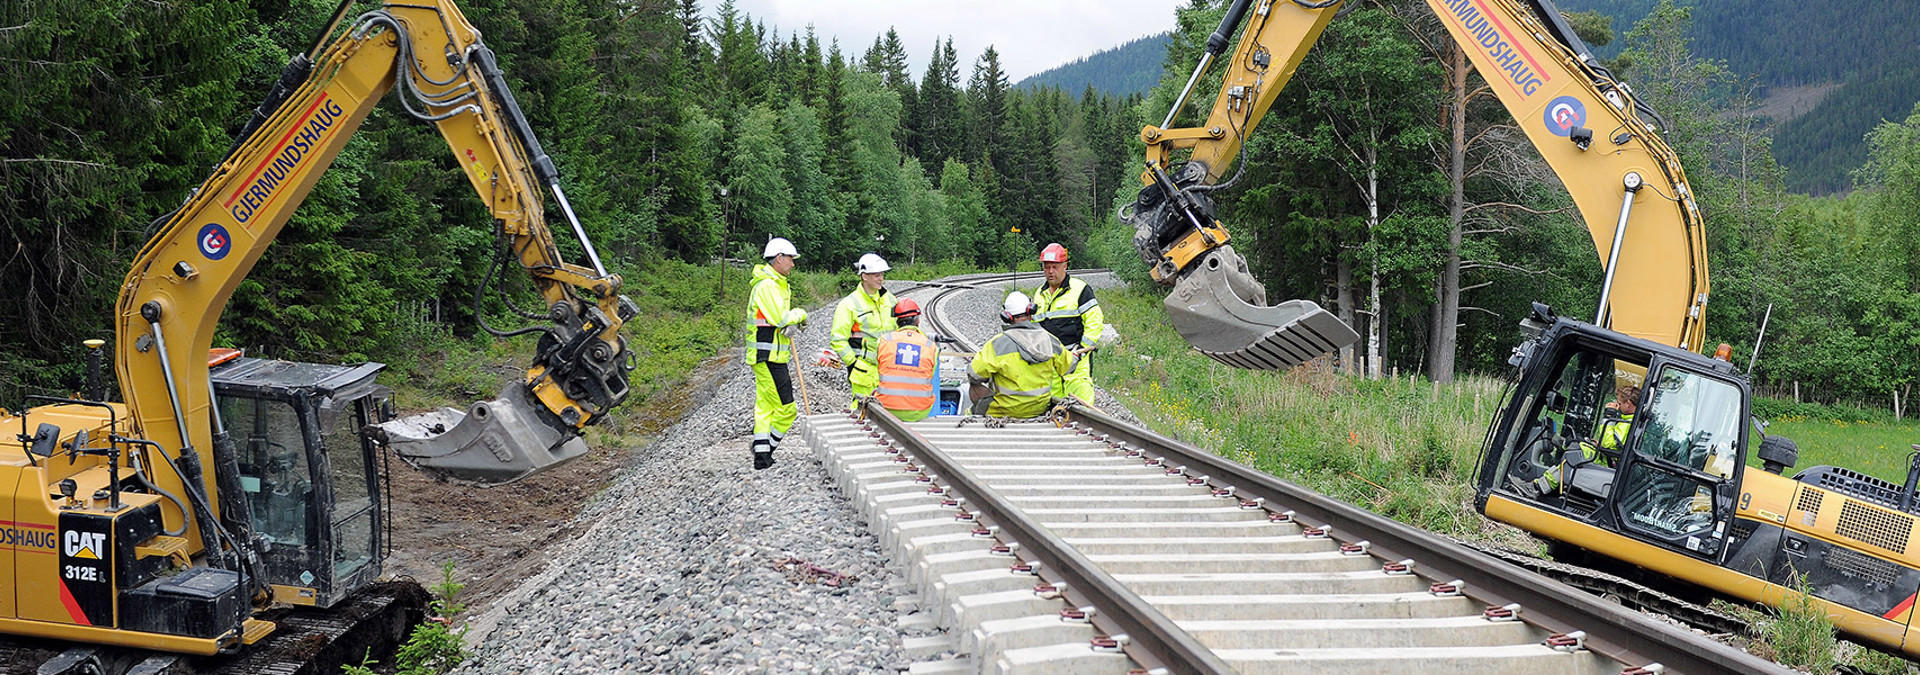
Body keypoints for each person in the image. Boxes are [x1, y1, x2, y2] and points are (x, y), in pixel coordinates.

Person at [1516, 385, 1640, 498]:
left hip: (1613, 465)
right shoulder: (1630, 420)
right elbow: (1615, 443)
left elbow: (1608, 443)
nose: (1617, 406)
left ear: (1628, 403)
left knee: (1573, 456)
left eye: (1619, 403)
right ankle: (1542, 482)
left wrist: (1608, 416)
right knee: (1579, 445)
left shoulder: (1628, 422)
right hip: (1612, 460)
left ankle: (1537, 488)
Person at [748, 237, 807, 470]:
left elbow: (780, 321)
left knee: (765, 406)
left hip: (769, 357)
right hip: (769, 358)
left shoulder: (774, 284)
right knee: (787, 409)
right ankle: (766, 449)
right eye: (791, 259)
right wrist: (800, 314)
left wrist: (792, 321)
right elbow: (781, 319)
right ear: (779, 258)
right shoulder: (768, 286)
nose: (793, 264)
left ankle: (762, 456)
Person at [968, 292, 1074, 419]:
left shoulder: (997, 344)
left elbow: (974, 374)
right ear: (1031, 311)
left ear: (1007, 317)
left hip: (1003, 411)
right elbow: (1069, 367)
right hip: (1039, 408)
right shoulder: (1050, 340)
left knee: (973, 387)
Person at [1031, 243, 1106, 404]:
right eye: (1046, 267)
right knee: (1052, 405)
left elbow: (1095, 320)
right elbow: (1035, 326)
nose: (1050, 272)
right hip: (1050, 361)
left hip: (1075, 359)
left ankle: (1082, 428)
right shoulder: (1039, 294)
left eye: (1055, 267)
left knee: (1081, 404)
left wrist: (1082, 349)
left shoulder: (1080, 289)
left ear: (1065, 265)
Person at [830, 253, 898, 410]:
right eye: (876, 275)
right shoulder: (849, 304)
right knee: (861, 410)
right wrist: (853, 363)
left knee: (888, 413)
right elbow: (838, 339)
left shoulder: (891, 300)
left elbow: (899, 330)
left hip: (889, 368)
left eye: (882, 274)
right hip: (864, 371)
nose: (881, 278)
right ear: (864, 276)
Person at [872, 299, 940, 421]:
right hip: (920, 411)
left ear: (897, 322)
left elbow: (879, 370)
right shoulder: (930, 346)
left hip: (886, 408)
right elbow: (930, 375)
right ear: (917, 320)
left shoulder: (883, 341)